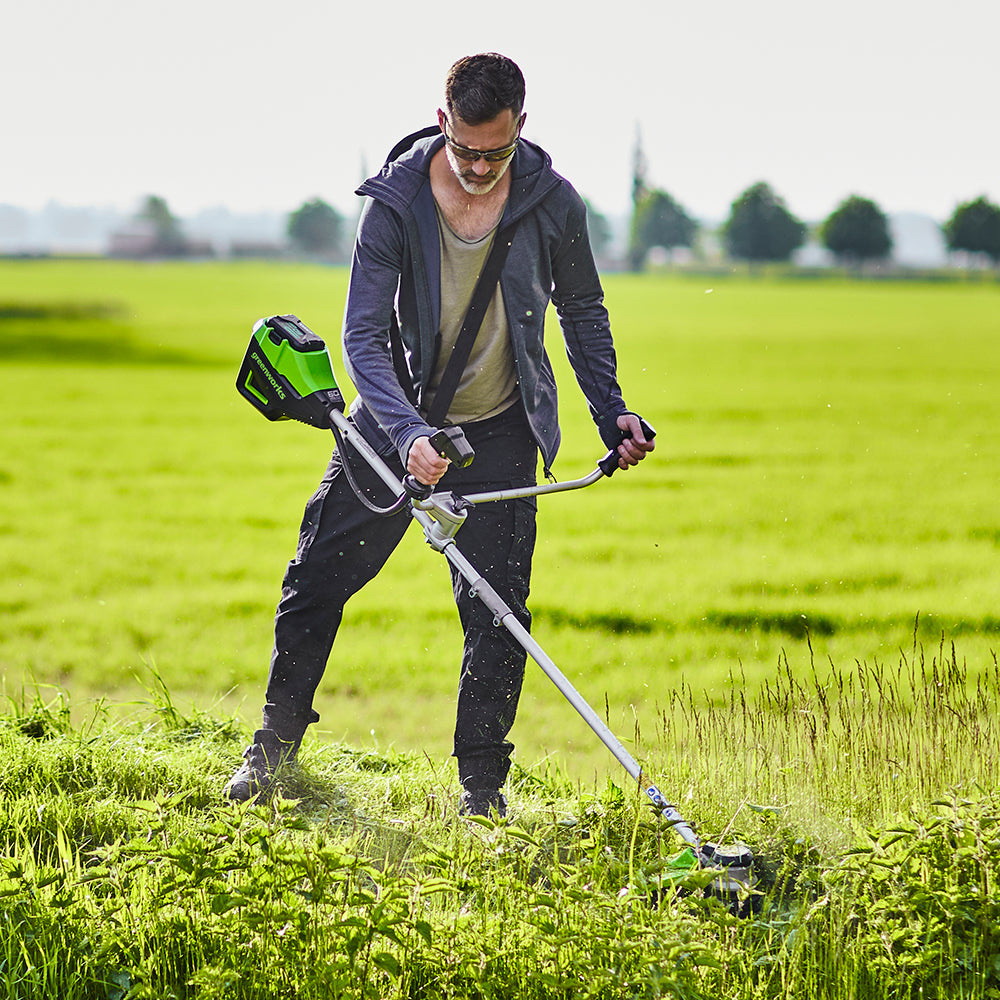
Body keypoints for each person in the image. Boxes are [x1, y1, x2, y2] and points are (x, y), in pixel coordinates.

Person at [224, 52, 654, 815]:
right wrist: (407, 433)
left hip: (498, 430)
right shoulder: (393, 201)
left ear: (522, 124)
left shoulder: (554, 203)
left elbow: (582, 310)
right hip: (393, 421)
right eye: (464, 149)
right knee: (317, 576)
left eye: (496, 150)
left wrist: (610, 408)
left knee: (497, 612)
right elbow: (362, 339)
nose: (480, 166)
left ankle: (481, 791)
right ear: (440, 121)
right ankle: (272, 750)